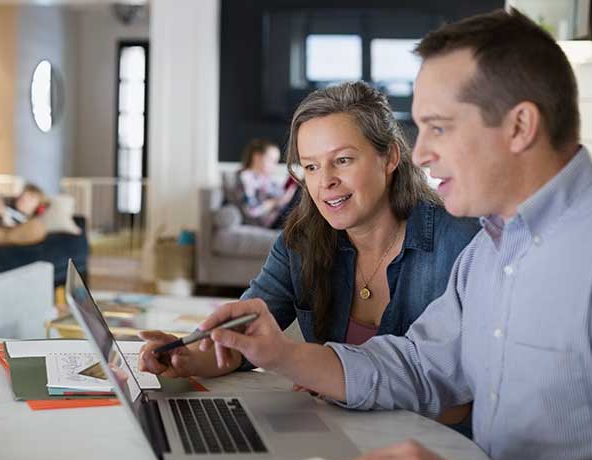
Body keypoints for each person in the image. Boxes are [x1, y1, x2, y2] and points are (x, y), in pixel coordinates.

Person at [191, 9, 592, 460]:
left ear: (519, 127)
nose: (422, 153)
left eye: (440, 127)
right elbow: (420, 365)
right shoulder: (491, 252)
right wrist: (281, 353)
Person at [139, 81, 480, 430]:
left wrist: (316, 372)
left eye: (343, 160)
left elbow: (467, 395)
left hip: (434, 447)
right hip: (337, 432)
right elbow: (244, 342)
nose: (325, 182)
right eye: (311, 167)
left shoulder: (463, 243)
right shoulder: (301, 241)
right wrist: (189, 357)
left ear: (390, 157)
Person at [232, 138, 298, 228]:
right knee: (302, 190)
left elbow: (281, 197)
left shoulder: (267, 179)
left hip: (282, 214)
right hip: (268, 221)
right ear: (257, 157)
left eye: (276, 161)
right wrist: (275, 202)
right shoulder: (245, 177)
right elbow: (251, 210)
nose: (275, 165)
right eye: (271, 160)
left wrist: (288, 192)